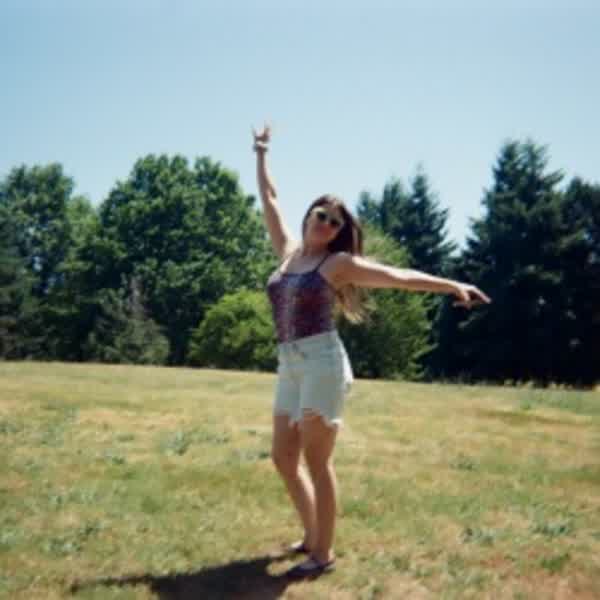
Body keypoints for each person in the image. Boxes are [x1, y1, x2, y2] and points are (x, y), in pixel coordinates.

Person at [252, 124, 490, 579]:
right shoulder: (287, 252)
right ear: (310, 215)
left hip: (321, 362)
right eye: (321, 214)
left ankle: (323, 555)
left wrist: (452, 285)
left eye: (334, 222)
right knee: (283, 457)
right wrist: (261, 153)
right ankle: (311, 535)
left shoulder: (337, 264)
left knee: (316, 461)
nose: (325, 223)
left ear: (339, 233)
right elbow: (271, 199)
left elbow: (397, 277)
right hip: (289, 363)